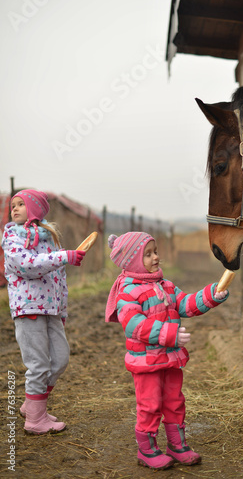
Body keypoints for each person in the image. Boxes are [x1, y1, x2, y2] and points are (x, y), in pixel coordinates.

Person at [105, 231, 229, 470]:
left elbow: (185, 304)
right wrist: (170, 335)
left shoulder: (166, 286)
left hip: (170, 360)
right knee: (150, 404)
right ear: (132, 261)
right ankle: (147, 450)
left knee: (174, 401)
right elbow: (133, 326)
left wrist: (211, 295)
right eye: (148, 254)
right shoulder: (127, 292)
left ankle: (177, 445)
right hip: (146, 362)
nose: (155, 258)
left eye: (155, 252)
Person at [1, 189, 86, 435]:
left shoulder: (49, 237)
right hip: (28, 308)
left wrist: (62, 310)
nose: (13, 208)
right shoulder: (12, 237)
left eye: (20, 204)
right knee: (38, 364)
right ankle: (35, 420)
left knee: (60, 358)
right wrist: (64, 256)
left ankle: (33, 404)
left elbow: (60, 279)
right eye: (12, 205)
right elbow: (26, 266)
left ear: (36, 209)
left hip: (51, 309)